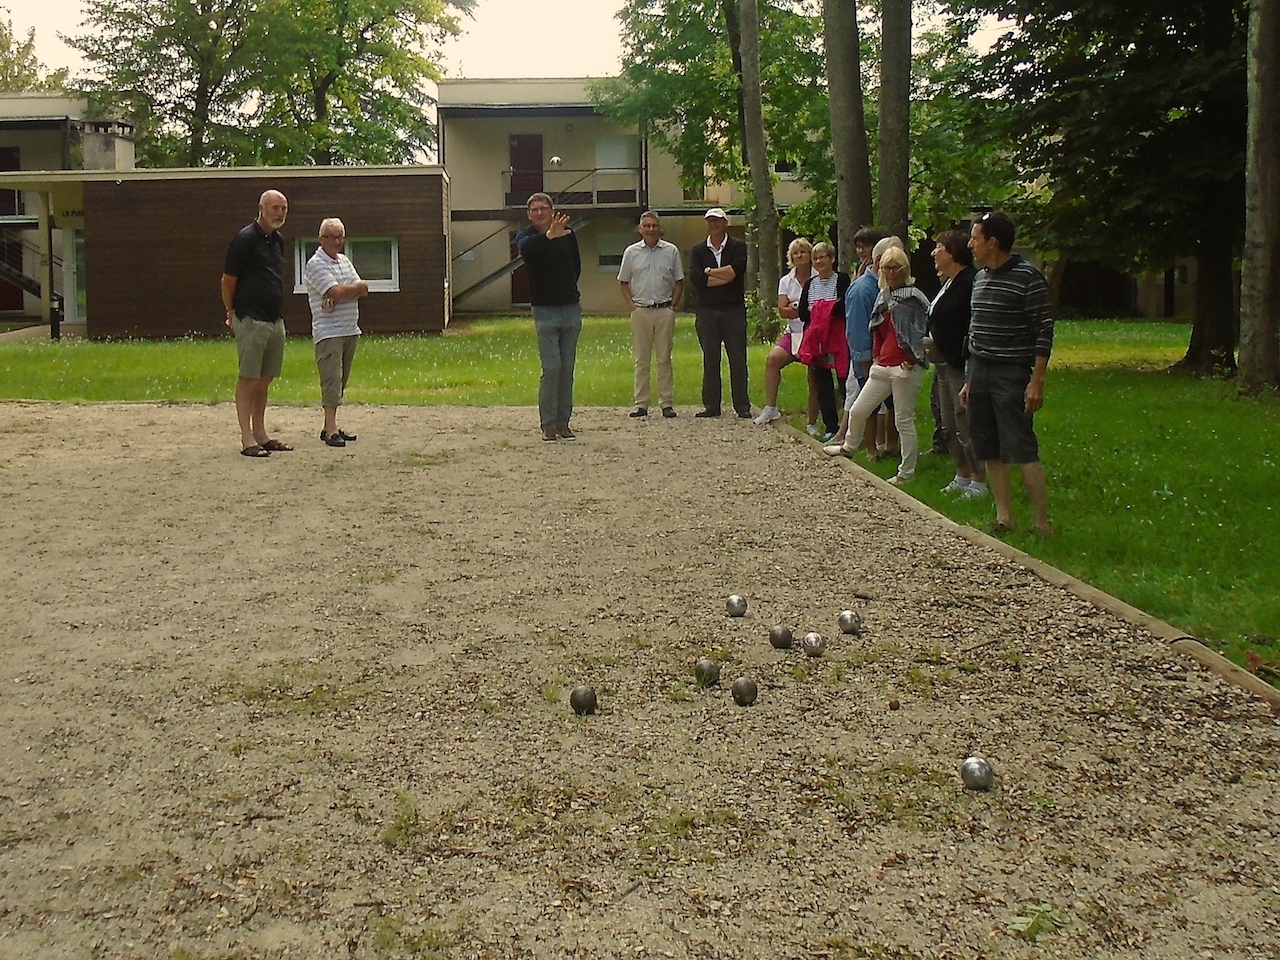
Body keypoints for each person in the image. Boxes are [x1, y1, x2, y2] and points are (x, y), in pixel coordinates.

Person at [961, 211, 1054, 536]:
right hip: (981, 372)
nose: (971, 245)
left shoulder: (1028, 278)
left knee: (1021, 445)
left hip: (1011, 373)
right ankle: (1004, 518)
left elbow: (1043, 331)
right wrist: (971, 378)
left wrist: (1036, 381)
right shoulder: (981, 278)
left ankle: (1041, 523)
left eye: (975, 238)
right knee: (988, 446)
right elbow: (975, 332)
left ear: (993, 242)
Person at [823, 246, 931, 485]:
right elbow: (876, 328)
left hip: (905, 368)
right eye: (886, 268)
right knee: (859, 409)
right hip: (882, 364)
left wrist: (912, 360)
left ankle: (906, 472)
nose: (890, 273)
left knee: (903, 420)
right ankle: (849, 445)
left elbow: (923, 333)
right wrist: (875, 359)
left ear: (904, 270)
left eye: (895, 268)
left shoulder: (915, 298)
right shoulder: (884, 296)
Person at [221, 189, 291, 458]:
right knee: (248, 378)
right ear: (261, 208)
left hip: (274, 320)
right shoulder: (244, 239)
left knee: (264, 379)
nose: (280, 213)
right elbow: (228, 280)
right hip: (250, 319)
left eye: (283, 208)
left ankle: (261, 434)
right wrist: (231, 311)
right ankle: (247, 438)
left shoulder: (278, 241)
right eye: (275, 207)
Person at [516, 193, 582, 441]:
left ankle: (564, 423)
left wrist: (566, 289)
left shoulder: (568, 234)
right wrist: (547, 237)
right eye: (534, 210)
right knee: (551, 367)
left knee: (566, 369)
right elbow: (526, 250)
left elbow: (576, 266)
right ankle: (548, 424)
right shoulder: (527, 237)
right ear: (529, 214)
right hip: (544, 311)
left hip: (570, 308)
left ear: (552, 210)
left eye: (544, 208)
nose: (539, 213)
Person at [926, 229, 985, 496]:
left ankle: (979, 479)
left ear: (953, 252)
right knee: (948, 424)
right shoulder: (948, 283)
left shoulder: (970, 282)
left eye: (939, 247)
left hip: (960, 364)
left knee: (965, 422)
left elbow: (971, 324)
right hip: (942, 362)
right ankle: (961, 473)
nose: (933, 252)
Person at [305, 217, 369, 448]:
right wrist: (347, 291)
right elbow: (336, 290)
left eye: (340, 236)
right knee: (331, 379)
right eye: (331, 236)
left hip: (350, 328)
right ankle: (330, 429)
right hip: (328, 331)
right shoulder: (315, 264)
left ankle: (329, 425)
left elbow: (360, 287)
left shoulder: (344, 260)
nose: (336, 241)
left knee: (341, 379)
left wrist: (347, 291)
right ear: (321, 239)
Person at [618, 211, 684, 419]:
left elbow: (679, 281)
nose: (651, 229)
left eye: (654, 225)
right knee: (642, 359)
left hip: (664, 310)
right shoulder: (631, 252)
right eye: (647, 226)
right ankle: (641, 404)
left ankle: (666, 403)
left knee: (664, 358)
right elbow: (624, 282)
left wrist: (673, 306)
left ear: (659, 228)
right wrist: (632, 307)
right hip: (641, 311)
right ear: (640, 229)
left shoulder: (671, 251)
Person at [689, 207, 751, 418]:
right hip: (707, 311)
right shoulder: (698, 250)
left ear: (725, 223)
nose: (713, 224)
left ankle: (742, 406)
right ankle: (712, 406)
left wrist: (710, 273)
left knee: (738, 358)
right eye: (710, 221)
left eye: (717, 221)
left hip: (733, 311)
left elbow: (735, 272)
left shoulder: (738, 246)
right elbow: (697, 279)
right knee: (710, 358)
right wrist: (721, 275)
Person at [753, 237, 818, 427]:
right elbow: (782, 311)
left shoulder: (818, 278)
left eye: (803, 252)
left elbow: (820, 309)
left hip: (813, 333)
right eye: (795, 253)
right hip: (793, 333)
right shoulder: (785, 281)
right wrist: (805, 308)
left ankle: (812, 422)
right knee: (773, 359)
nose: (799, 256)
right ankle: (771, 408)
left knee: (814, 375)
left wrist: (795, 306)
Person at [794, 241, 850, 440]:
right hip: (816, 339)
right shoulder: (810, 284)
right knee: (822, 385)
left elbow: (843, 307)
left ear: (832, 259)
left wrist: (819, 309)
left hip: (837, 338)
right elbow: (802, 312)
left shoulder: (842, 280)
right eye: (816, 258)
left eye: (822, 257)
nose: (819, 261)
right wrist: (826, 308)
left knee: (844, 381)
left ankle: (849, 425)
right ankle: (831, 427)